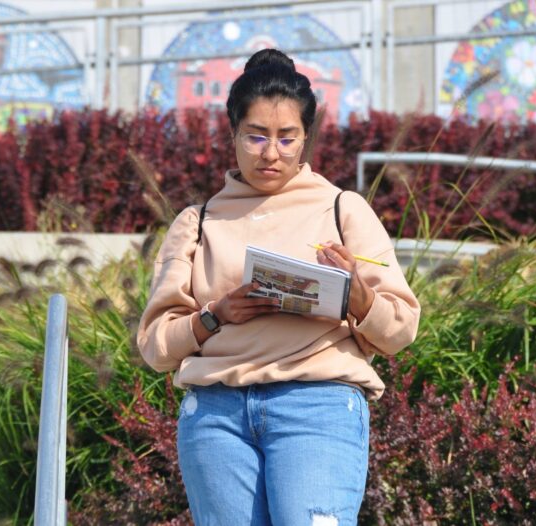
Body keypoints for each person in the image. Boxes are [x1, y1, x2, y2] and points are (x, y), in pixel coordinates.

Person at [137, 48, 420, 526]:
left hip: (319, 406)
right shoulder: (197, 222)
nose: (271, 153)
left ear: (306, 138)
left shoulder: (343, 209)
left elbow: (401, 329)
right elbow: (155, 346)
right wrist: (215, 316)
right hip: (216, 415)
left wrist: (358, 297)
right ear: (232, 134)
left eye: (287, 138)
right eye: (256, 136)